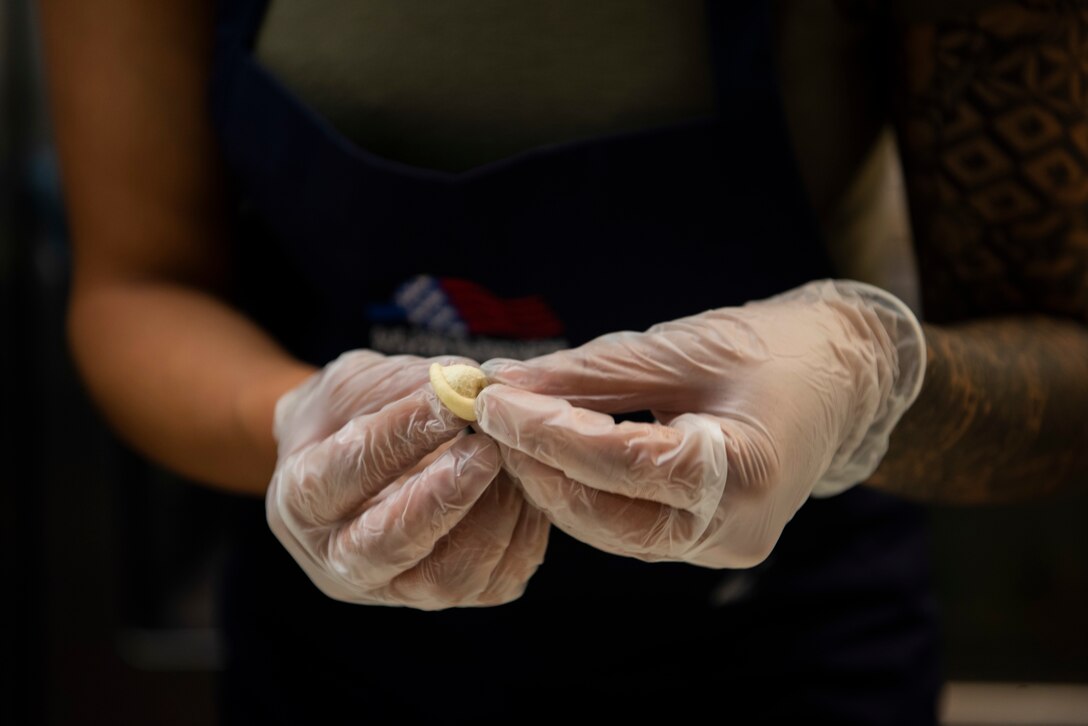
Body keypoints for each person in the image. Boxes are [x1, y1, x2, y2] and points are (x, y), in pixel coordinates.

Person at [41, 0, 1088, 723]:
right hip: (338, 655)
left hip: (780, 648)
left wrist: (865, 377)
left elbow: (1062, 354)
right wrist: (293, 425)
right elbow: (140, 284)